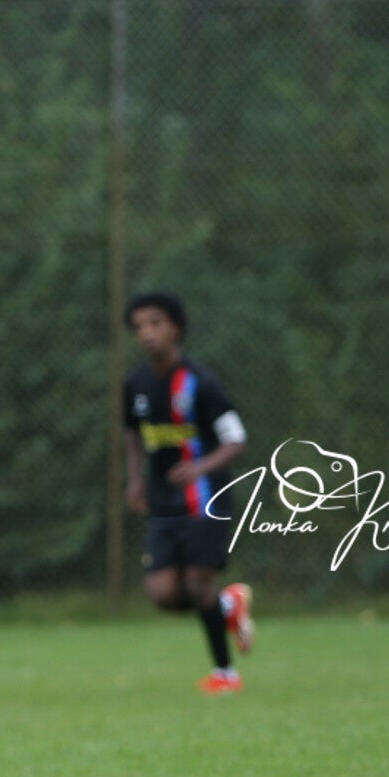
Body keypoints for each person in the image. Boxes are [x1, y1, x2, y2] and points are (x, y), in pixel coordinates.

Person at [123, 291, 254, 692]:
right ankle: (228, 604)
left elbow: (236, 440)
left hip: (205, 497)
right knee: (163, 594)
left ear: (176, 328)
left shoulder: (200, 383)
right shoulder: (136, 384)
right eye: (139, 326)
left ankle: (225, 673)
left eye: (155, 323)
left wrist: (199, 467)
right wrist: (135, 478)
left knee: (198, 584)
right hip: (163, 500)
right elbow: (132, 434)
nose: (147, 333)